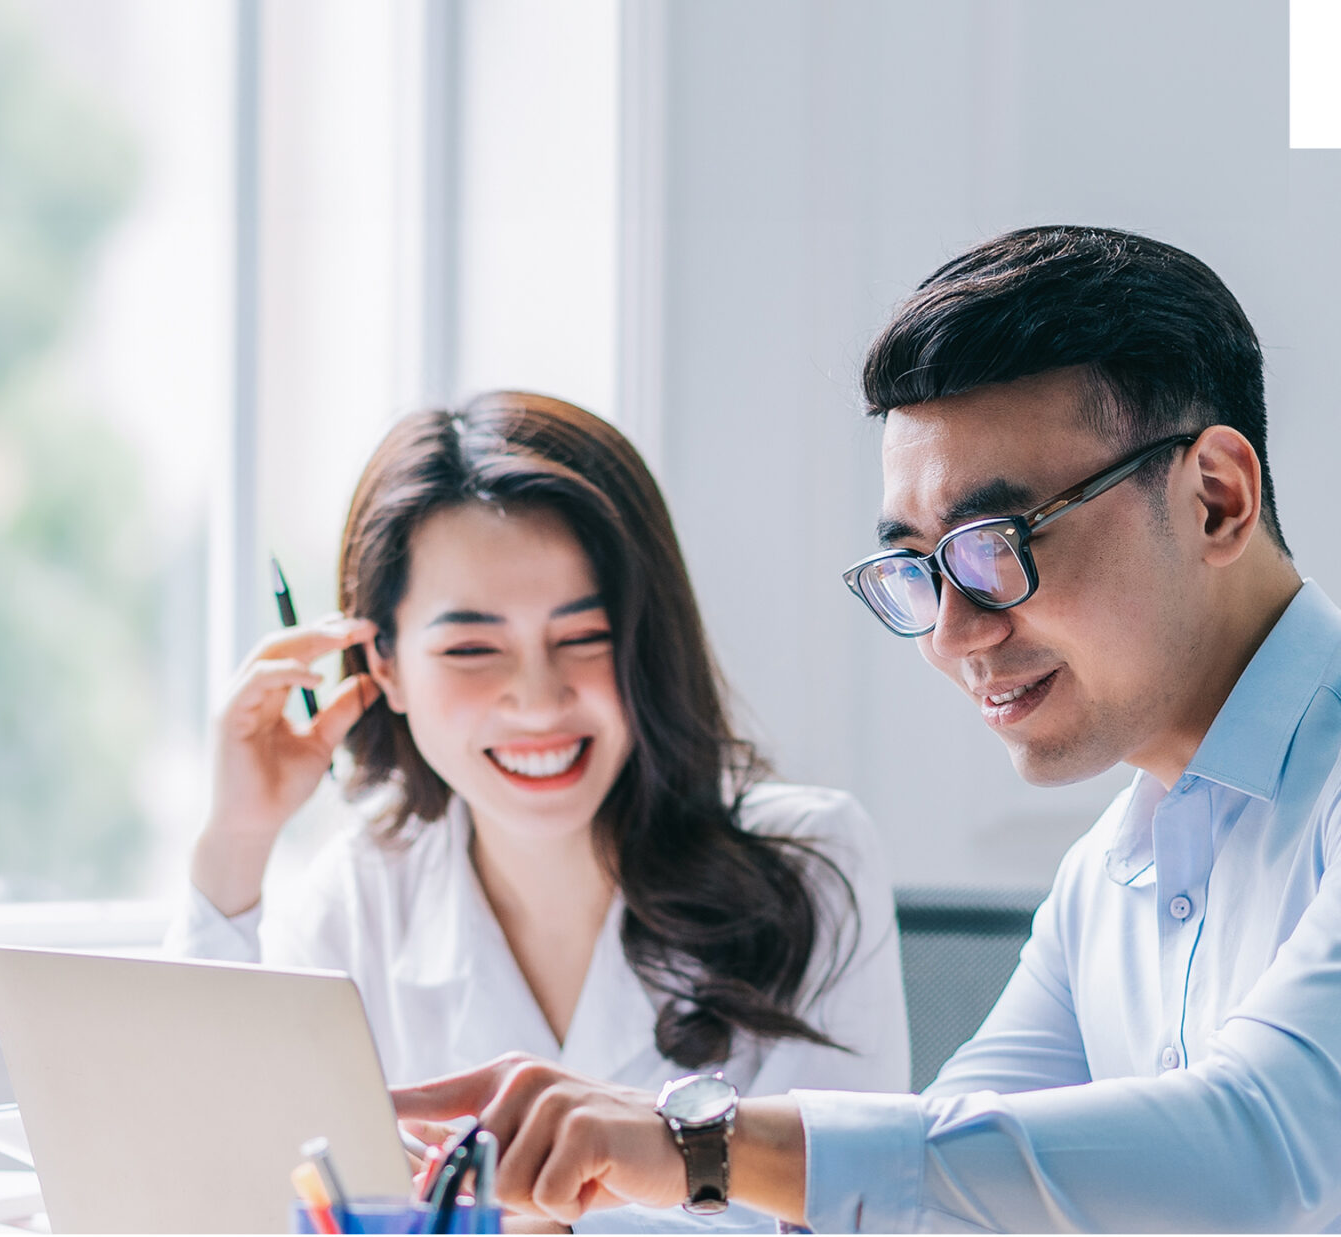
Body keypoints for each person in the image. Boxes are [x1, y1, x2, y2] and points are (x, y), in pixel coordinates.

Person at [396, 226, 1341, 1232]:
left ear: (1213, 499)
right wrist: (557, 1209)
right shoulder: (1106, 876)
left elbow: (1268, 1147)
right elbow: (929, 1200)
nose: (952, 632)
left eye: (994, 545)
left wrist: (693, 1140)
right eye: (917, 567)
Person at [169, 392, 908, 1227]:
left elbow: (868, 1207)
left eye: (584, 636)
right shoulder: (356, 900)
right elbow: (201, 1187)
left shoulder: (812, 861)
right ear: (386, 664)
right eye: (472, 649)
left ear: (645, 641)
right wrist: (237, 838)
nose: (536, 699)